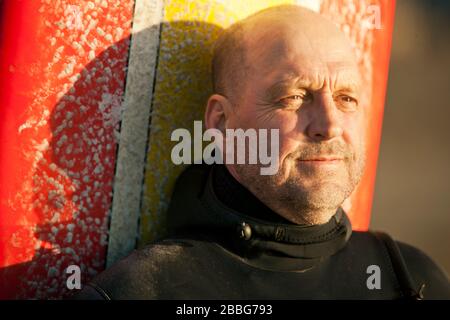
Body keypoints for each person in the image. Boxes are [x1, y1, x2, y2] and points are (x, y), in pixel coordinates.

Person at [74, 5, 450, 299]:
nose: (330, 125)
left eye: (346, 97)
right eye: (294, 97)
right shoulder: (141, 291)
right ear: (221, 123)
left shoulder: (410, 277)